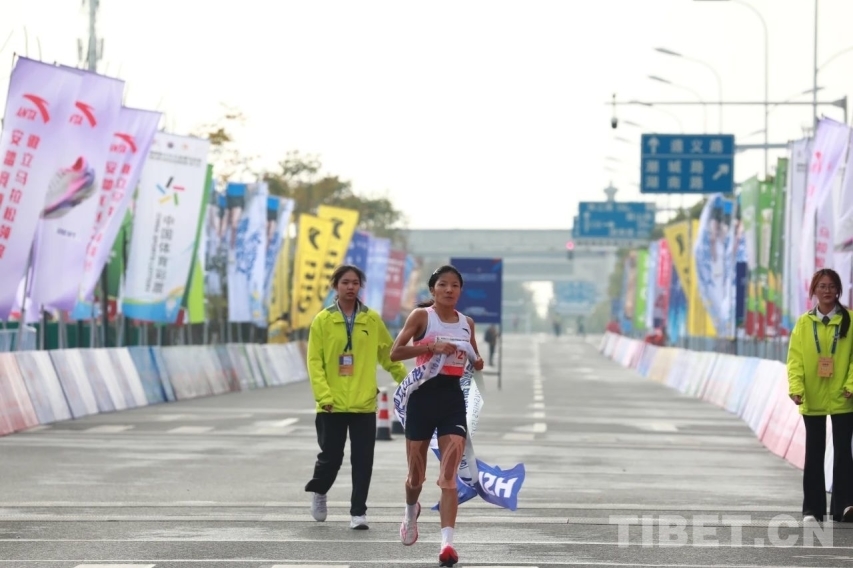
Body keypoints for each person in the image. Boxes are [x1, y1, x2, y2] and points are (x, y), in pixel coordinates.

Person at [390, 265, 485, 567]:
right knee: (415, 476)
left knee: (448, 476)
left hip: (452, 399)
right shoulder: (422, 317)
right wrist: (431, 347)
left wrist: (478, 362)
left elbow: (475, 357)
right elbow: (395, 352)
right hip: (422, 398)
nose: (449, 290)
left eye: (455, 285)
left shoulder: (467, 323)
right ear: (432, 290)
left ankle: (447, 545)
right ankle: (410, 511)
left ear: (460, 290)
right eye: (443, 284)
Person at [305, 264, 408, 530]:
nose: (350, 287)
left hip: (364, 404)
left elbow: (389, 354)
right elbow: (314, 362)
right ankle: (320, 491)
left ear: (360, 286)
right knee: (331, 458)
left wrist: (407, 382)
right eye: (345, 282)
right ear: (335, 286)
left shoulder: (371, 319)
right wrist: (324, 396)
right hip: (331, 405)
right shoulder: (323, 320)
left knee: (363, 460)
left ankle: (358, 512)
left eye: (355, 282)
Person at [788, 268, 853, 524]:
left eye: (832, 286)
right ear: (814, 289)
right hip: (812, 397)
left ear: (838, 290)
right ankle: (813, 510)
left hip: (844, 397)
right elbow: (795, 360)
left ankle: (844, 506)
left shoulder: (849, 320)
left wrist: (851, 384)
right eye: (822, 286)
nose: (827, 291)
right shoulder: (804, 323)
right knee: (814, 452)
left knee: (843, 452)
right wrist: (796, 388)